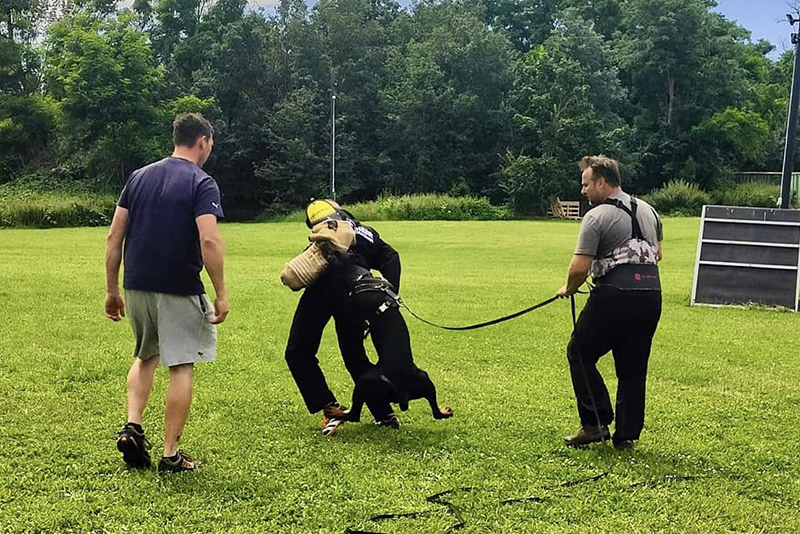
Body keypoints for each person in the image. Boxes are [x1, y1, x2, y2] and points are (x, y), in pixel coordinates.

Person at [104, 113, 228, 472]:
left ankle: (132, 426)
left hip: (136, 283)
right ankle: (171, 454)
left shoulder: (138, 177)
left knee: (146, 356)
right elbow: (208, 239)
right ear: (203, 141)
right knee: (181, 366)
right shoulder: (201, 182)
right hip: (178, 286)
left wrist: (112, 289)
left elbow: (114, 237)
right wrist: (221, 293)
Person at [555, 155, 662, 451]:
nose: (583, 191)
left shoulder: (596, 216)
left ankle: (594, 422)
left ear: (602, 182)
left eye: (586, 184)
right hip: (650, 295)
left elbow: (579, 267)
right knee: (633, 367)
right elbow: (657, 254)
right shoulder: (650, 211)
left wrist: (569, 288)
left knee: (580, 351)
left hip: (614, 294)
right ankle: (626, 435)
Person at [283, 199, 400, 436]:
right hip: (356, 294)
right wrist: (390, 294)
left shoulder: (325, 234)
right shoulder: (366, 233)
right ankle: (383, 413)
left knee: (298, 352)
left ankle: (330, 407)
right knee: (355, 356)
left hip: (322, 292)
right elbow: (391, 257)